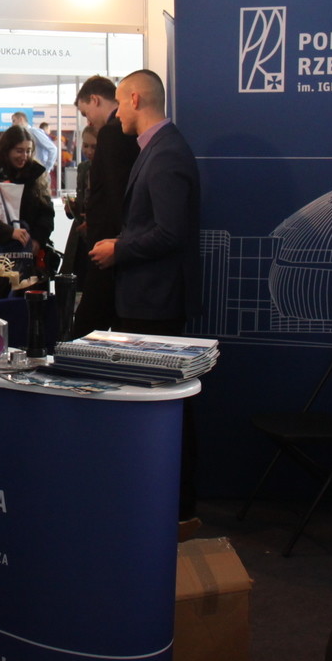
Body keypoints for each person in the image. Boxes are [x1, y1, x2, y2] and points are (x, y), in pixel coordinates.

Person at [89, 69, 201, 530]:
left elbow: (171, 232)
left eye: (119, 102)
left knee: (164, 411)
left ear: (135, 99)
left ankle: (175, 509)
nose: (116, 113)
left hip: (156, 303)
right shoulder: (154, 148)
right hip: (143, 299)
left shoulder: (167, 151)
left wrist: (119, 249)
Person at [72, 75, 141, 336]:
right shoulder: (124, 132)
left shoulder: (112, 132)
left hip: (109, 246)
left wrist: (116, 242)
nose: (88, 121)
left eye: (85, 112)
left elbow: (116, 192)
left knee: (87, 328)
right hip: (119, 243)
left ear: (95, 99)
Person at [0, 125, 55, 251]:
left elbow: (46, 213)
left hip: (29, 248)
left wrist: (37, 240)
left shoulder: (36, 174)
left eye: (28, 151)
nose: (24, 156)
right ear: (6, 150)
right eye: (19, 151)